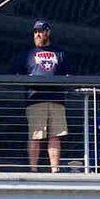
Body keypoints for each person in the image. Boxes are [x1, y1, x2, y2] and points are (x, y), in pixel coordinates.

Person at [23, 21, 69, 173]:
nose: (37, 34)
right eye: (35, 32)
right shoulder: (28, 54)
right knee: (36, 135)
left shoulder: (60, 53)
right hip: (35, 99)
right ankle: (33, 170)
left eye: (40, 31)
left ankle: (55, 170)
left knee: (55, 135)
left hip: (56, 100)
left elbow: (69, 75)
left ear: (48, 32)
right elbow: (15, 73)